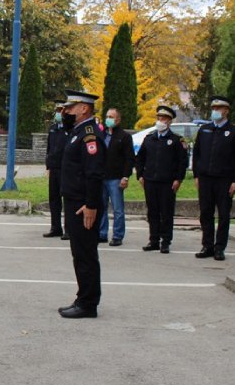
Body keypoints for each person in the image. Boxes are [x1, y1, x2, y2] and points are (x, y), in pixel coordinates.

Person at [58, 90, 105, 319]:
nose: (66, 111)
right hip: (74, 201)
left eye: (71, 107)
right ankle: (83, 298)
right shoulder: (77, 132)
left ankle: (87, 304)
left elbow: (94, 174)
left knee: (85, 254)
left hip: (82, 205)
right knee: (80, 253)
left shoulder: (89, 135)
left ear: (84, 108)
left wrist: (91, 205)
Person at [135, 106, 188, 254]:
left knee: (166, 212)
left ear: (170, 121)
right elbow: (140, 158)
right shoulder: (150, 138)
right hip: (150, 180)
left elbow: (182, 162)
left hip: (167, 182)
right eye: (159, 118)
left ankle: (165, 241)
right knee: (152, 212)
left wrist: (178, 179)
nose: (160, 121)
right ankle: (154, 240)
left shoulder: (176, 140)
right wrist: (140, 175)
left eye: (164, 119)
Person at [192, 96, 235, 261]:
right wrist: (196, 175)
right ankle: (207, 245)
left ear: (226, 111)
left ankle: (219, 248)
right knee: (205, 213)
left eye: (218, 108)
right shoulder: (205, 129)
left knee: (223, 215)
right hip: (205, 178)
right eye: (213, 108)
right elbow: (196, 154)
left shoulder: (232, 131)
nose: (215, 111)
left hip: (224, 179)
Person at [99, 108, 135, 246]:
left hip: (116, 178)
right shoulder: (101, 135)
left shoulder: (124, 137)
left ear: (118, 119)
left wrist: (125, 176)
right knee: (101, 206)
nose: (108, 119)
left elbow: (129, 159)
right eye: (107, 116)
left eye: (111, 117)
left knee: (117, 209)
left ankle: (118, 235)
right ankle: (102, 233)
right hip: (102, 177)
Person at [43, 100, 70, 239]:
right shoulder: (53, 128)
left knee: (67, 199)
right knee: (54, 199)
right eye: (57, 110)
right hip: (54, 168)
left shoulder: (69, 128)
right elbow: (49, 148)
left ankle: (68, 230)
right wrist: (48, 166)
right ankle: (55, 227)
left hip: (65, 169)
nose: (58, 113)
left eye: (61, 110)